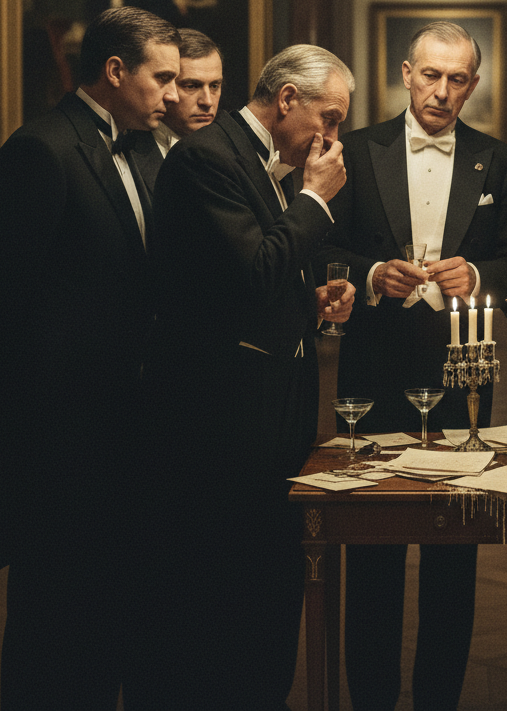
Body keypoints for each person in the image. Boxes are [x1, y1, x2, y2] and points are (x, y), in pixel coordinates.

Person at [0, 7, 181, 711]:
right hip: (61, 440)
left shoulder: (150, 151)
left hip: (132, 433)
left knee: (116, 617)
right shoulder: (40, 150)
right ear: (115, 71)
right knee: (53, 627)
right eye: (162, 78)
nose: (174, 94)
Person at [131, 45, 356, 711]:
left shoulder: (263, 159)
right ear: (286, 99)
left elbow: (248, 283)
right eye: (328, 117)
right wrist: (314, 198)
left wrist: (310, 300)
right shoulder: (207, 157)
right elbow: (255, 271)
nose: (332, 136)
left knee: (267, 578)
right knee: (224, 586)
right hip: (223, 418)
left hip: (268, 409)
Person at [319, 20, 507, 711]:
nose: (442, 91)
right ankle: (372, 700)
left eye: (457, 79)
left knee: (454, 555)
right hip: (372, 373)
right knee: (370, 555)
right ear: (406, 74)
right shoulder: (355, 150)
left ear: (474, 84)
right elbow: (321, 248)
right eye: (431, 75)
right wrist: (372, 273)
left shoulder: (498, 160)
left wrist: (480, 273)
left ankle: (440, 699)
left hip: (463, 371)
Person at [153, 27, 224, 156]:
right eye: (191, 86)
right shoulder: (131, 152)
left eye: (214, 86)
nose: (207, 102)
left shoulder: (226, 150)